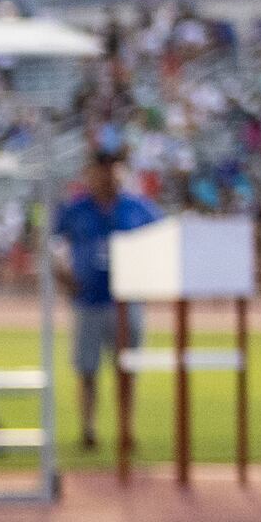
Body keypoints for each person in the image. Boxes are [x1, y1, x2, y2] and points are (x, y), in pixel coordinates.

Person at [53, 150, 161, 452]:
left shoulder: (138, 208)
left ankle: (127, 429)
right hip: (88, 300)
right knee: (87, 369)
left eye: (111, 169)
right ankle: (88, 430)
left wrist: (149, 278)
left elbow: (161, 244)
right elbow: (51, 245)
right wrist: (63, 276)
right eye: (99, 170)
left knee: (126, 370)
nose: (105, 176)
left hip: (127, 303)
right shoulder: (75, 210)